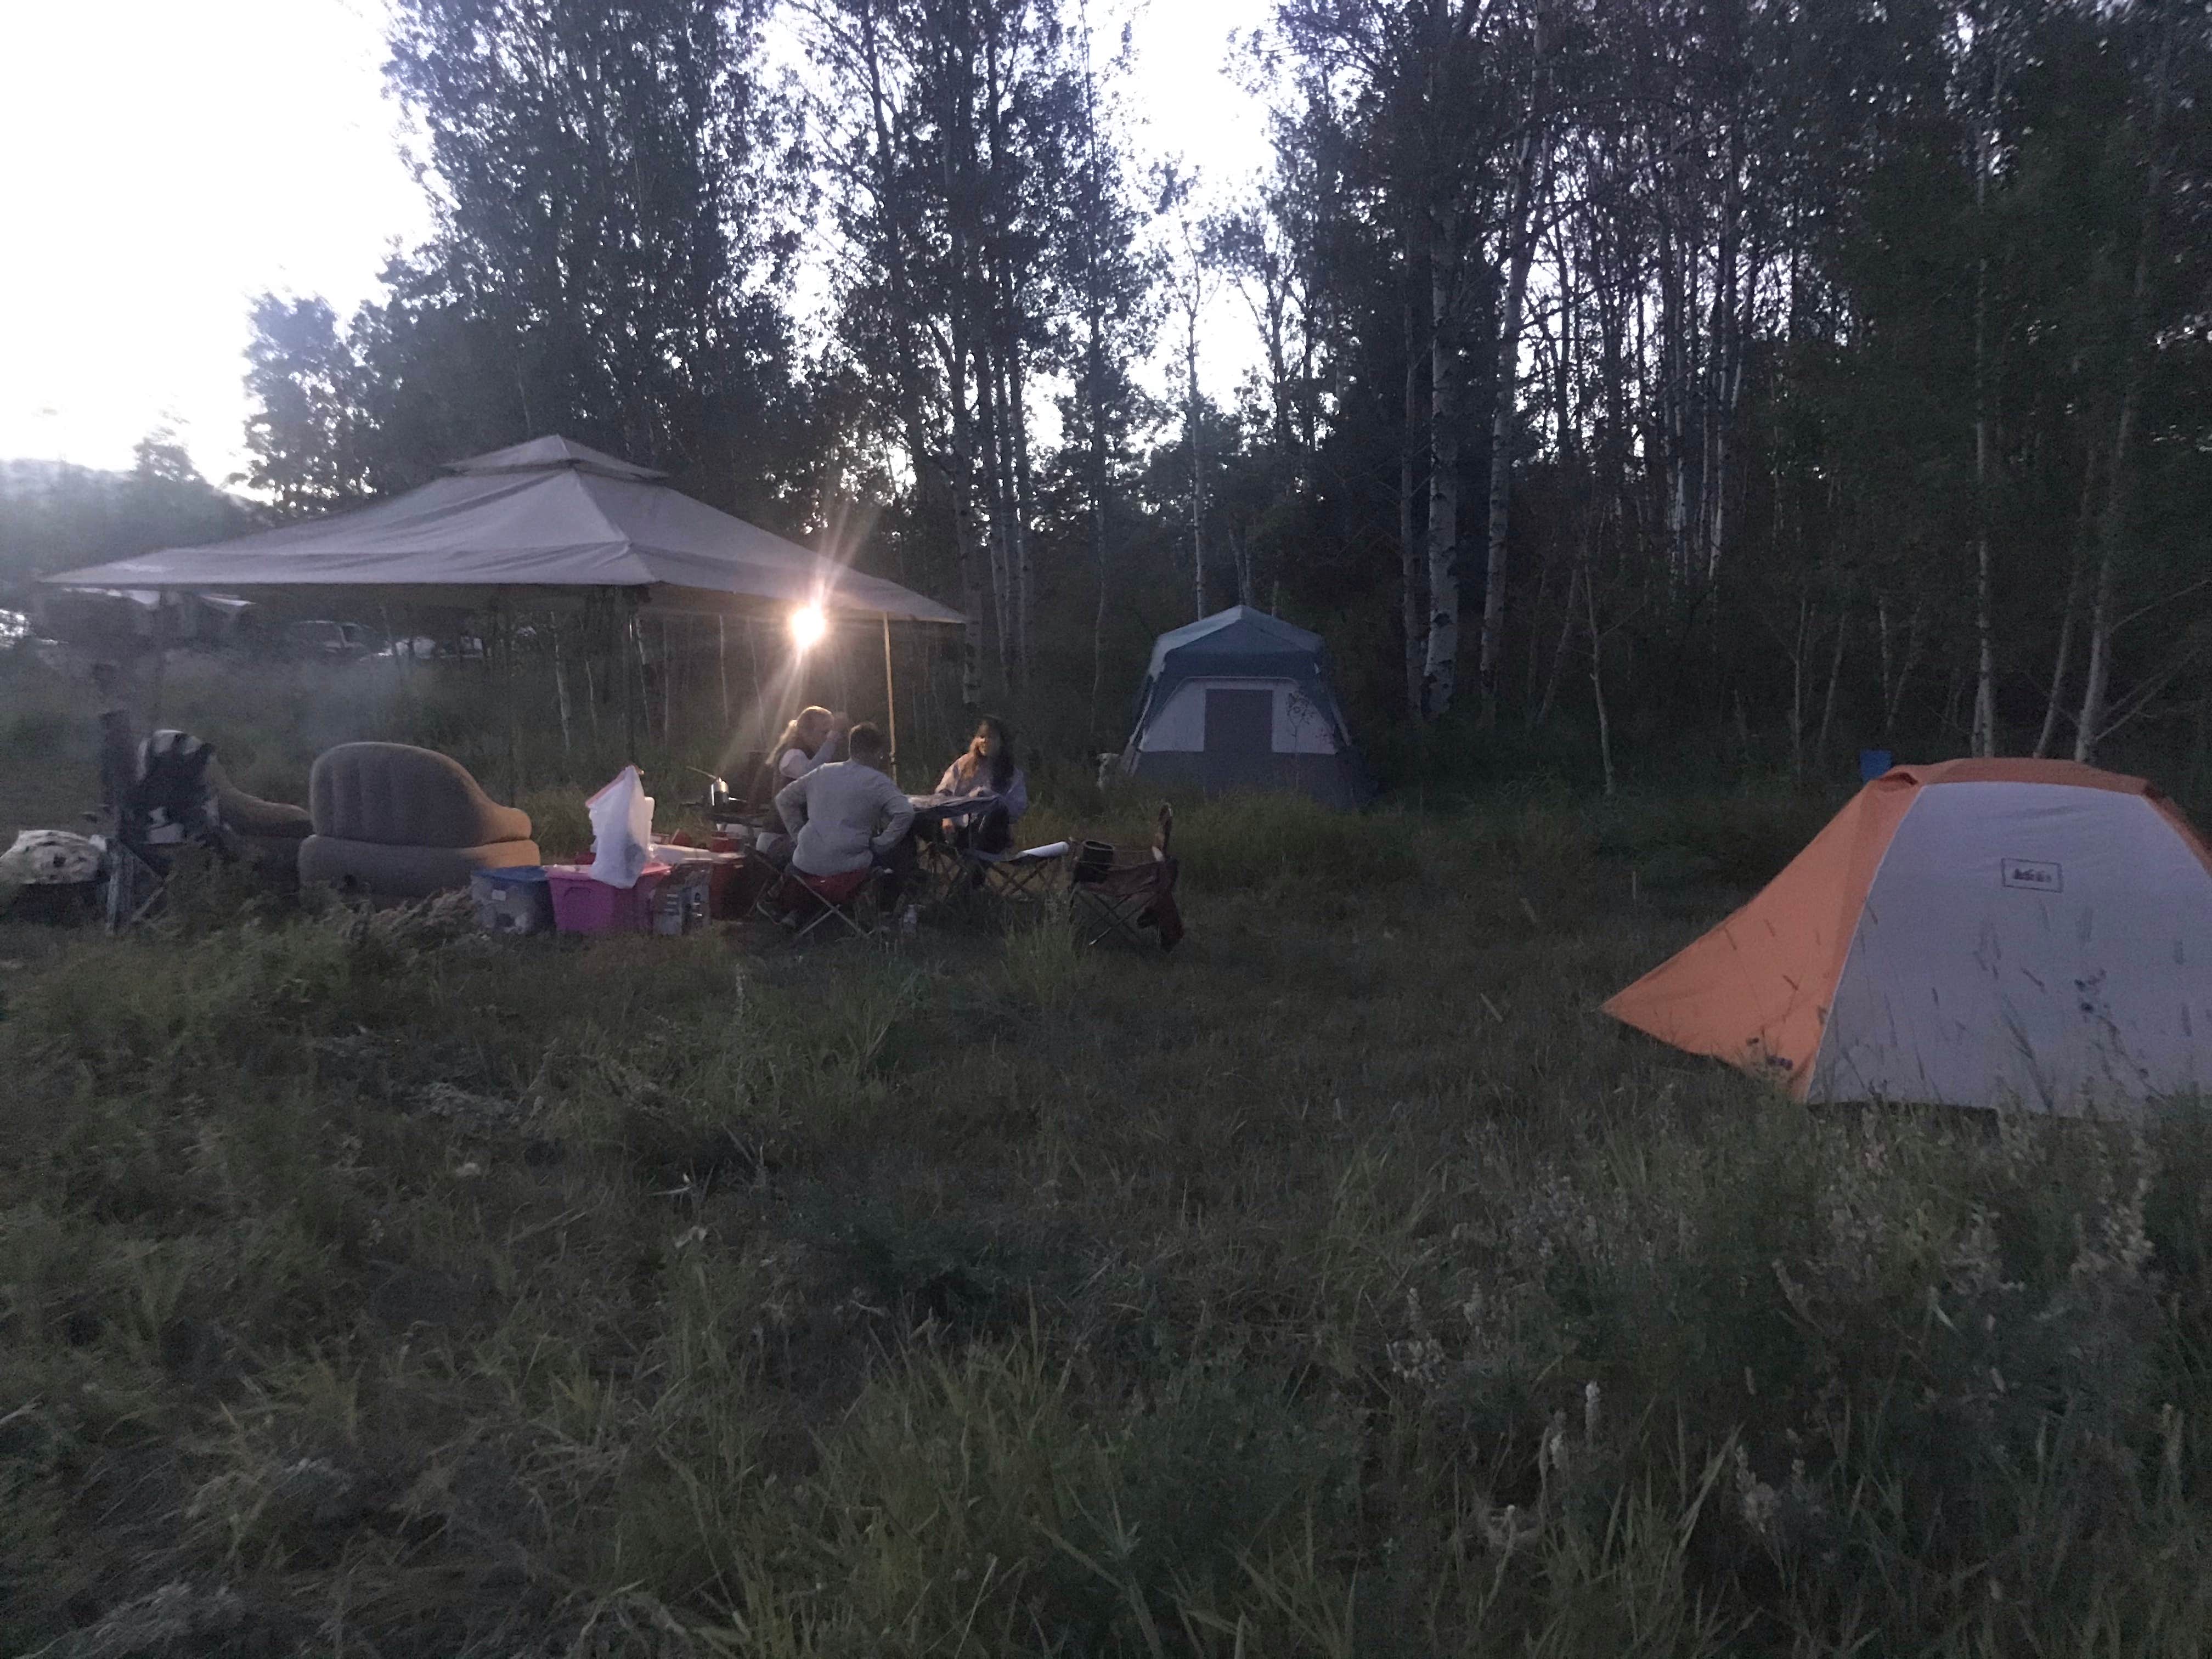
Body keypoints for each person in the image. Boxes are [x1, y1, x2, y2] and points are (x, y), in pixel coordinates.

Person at [773, 721, 916, 913]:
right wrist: (882, 842)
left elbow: (784, 799)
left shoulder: (822, 772)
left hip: (806, 863)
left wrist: (797, 833)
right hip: (848, 868)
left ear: (851, 748)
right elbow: (905, 812)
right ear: (877, 753)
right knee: (905, 847)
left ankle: (800, 910)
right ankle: (889, 909)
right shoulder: (878, 781)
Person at [933, 715, 1028, 854]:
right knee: (910, 814)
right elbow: (943, 792)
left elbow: (1016, 809)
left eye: (991, 737)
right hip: (955, 829)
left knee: (994, 813)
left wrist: (989, 800)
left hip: (989, 836)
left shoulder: (1012, 774)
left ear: (1002, 742)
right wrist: (947, 818)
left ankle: (974, 872)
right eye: (982, 737)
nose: (985, 741)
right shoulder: (963, 764)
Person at [770, 705, 850, 787]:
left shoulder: (818, 753)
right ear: (806, 733)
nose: (828, 737)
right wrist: (832, 739)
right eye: (825, 732)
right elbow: (809, 773)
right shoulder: (791, 754)